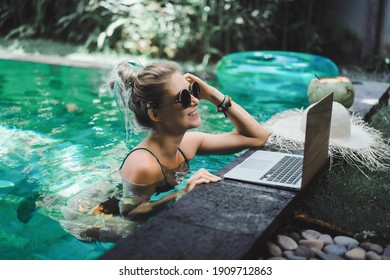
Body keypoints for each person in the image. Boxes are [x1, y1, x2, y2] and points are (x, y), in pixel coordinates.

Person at [108, 59, 269, 221]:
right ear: (156, 114)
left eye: (194, 90)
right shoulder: (144, 166)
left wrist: (213, 94)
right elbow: (128, 214)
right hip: (99, 216)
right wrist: (182, 194)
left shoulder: (188, 144)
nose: (196, 100)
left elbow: (257, 137)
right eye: (184, 97)